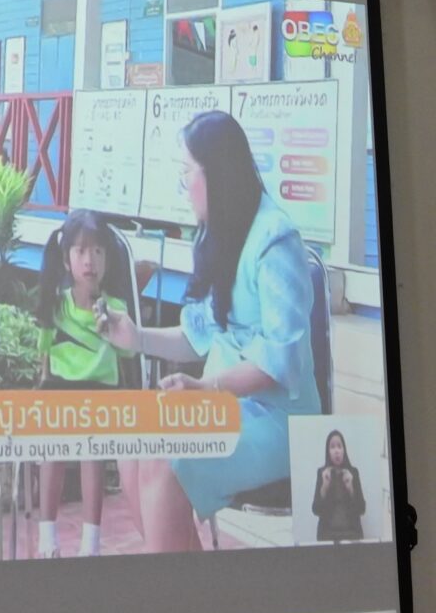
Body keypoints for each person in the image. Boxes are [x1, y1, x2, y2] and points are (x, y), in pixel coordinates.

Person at [102, 110, 321, 552]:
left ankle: (176, 590)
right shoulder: (219, 232)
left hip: (277, 419)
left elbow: (279, 362)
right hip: (223, 405)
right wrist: (136, 336)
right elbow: (195, 335)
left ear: (216, 174)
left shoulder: (276, 241)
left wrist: (206, 388)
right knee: (131, 443)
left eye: (186, 172)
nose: (183, 186)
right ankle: (188, 586)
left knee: (166, 458)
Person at [35, 210, 134, 559]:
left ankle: (90, 542)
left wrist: (112, 328)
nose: (89, 260)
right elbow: (45, 352)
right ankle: (47, 538)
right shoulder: (55, 305)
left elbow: (127, 351)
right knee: (53, 453)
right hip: (61, 389)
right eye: (80, 251)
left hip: (101, 393)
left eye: (98, 252)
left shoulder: (116, 308)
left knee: (93, 456)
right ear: (67, 260)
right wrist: (44, 383)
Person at [312, 429, 366, 541]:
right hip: (327, 535)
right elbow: (316, 510)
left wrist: (351, 488)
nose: (336, 451)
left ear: (344, 450)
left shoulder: (353, 472)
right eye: (332, 447)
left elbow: (362, 509)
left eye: (339, 446)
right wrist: (324, 487)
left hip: (351, 534)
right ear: (328, 452)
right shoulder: (322, 473)